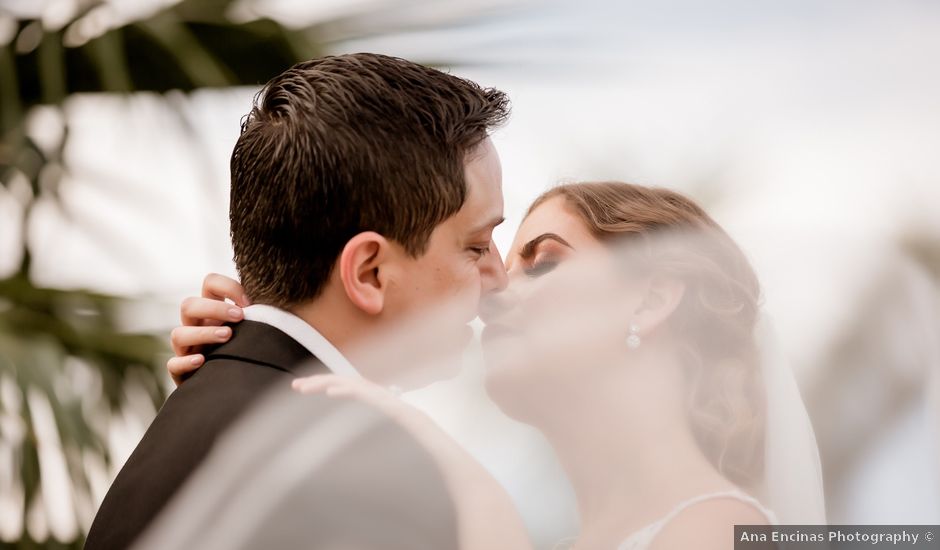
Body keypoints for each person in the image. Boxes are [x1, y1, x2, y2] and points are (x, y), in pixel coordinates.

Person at [171, 182, 826, 549]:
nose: (493, 289)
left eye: (541, 262)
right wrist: (263, 341)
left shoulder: (723, 535)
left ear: (653, 297)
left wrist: (459, 478)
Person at [84, 53, 529, 550]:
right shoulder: (357, 474)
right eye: (474, 246)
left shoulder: (207, 406)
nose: (499, 279)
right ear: (369, 272)